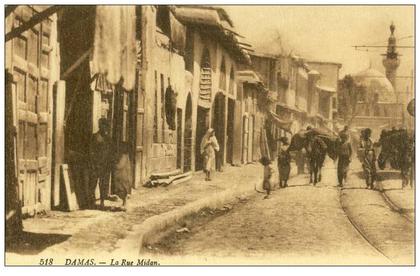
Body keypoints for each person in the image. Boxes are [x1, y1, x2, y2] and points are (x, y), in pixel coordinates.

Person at [88, 118, 113, 209]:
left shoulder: (108, 138)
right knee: (93, 183)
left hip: (105, 164)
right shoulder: (95, 137)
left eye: (106, 126)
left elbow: (111, 151)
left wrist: (110, 163)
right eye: (103, 125)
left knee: (104, 183)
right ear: (100, 126)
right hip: (96, 164)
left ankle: (102, 201)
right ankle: (91, 201)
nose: (105, 127)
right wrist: (93, 163)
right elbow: (91, 151)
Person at [112, 143, 132, 211]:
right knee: (123, 190)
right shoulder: (126, 156)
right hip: (124, 176)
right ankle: (124, 204)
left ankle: (125, 204)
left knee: (123, 190)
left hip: (123, 177)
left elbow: (120, 165)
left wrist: (114, 165)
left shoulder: (123, 156)